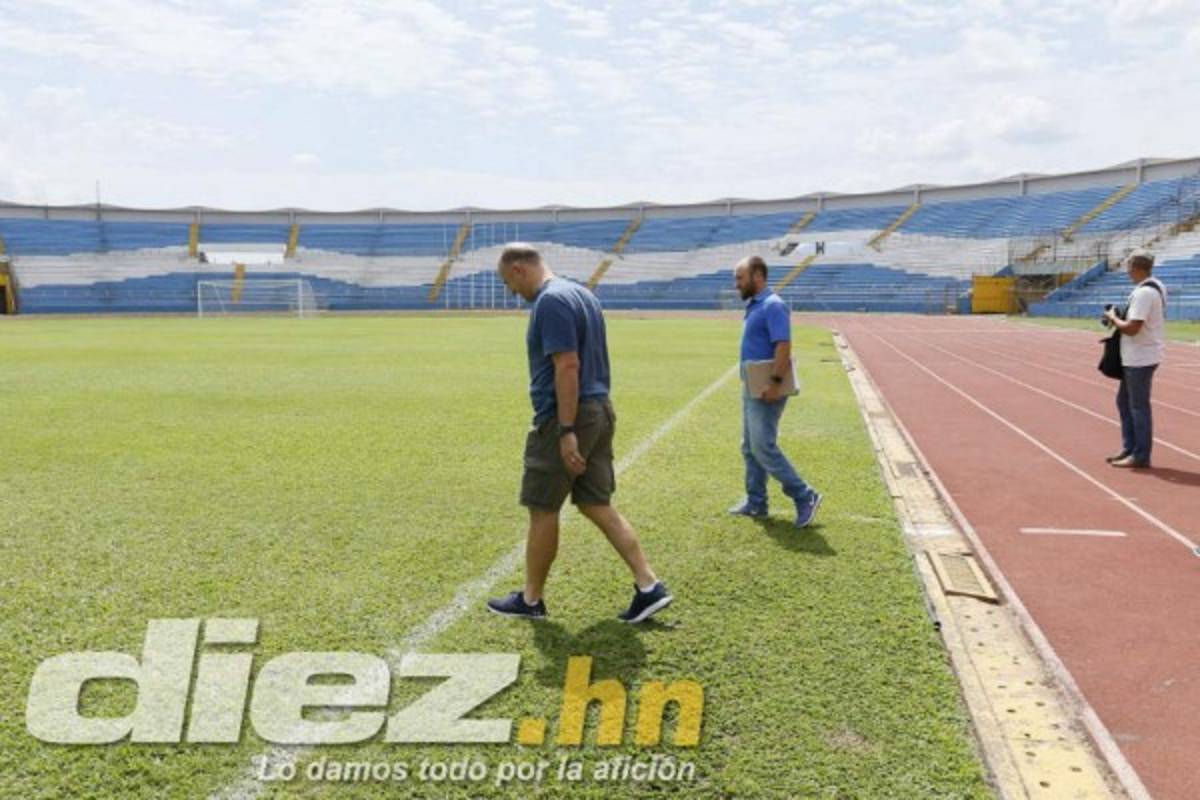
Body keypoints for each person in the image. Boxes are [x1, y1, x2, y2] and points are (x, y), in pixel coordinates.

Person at [486, 243, 672, 623]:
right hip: (599, 409)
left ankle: (531, 600)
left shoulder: (551, 302)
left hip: (569, 416)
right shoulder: (582, 295)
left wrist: (566, 429)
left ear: (519, 269)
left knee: (543, 506)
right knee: (594, 502)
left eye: (509, 283)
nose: (512, 292)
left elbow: (567, 365)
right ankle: (649, 585)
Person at [728, 256, 822, 527]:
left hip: (767, 387)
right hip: (753, 385)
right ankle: (756, 503)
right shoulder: (756, 305)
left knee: (763, 447)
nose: (736, 284)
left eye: (740, 278)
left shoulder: (773, 305)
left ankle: (805, 495)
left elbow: (783, 345)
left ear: (757, 276)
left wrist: (775, 382)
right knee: (750, 448)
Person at [1104, 250, 1167, 469]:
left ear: (1136, 268)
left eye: (1129, 267)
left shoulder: (1144, 293)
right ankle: (1130, 448)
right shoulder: (1155, 286)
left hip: (1140, 358)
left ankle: (1140, 455)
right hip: (1140, 355)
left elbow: (1133, 328)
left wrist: (1113, 318)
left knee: (1138, 407)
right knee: (1125, 402)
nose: (1127, 271)